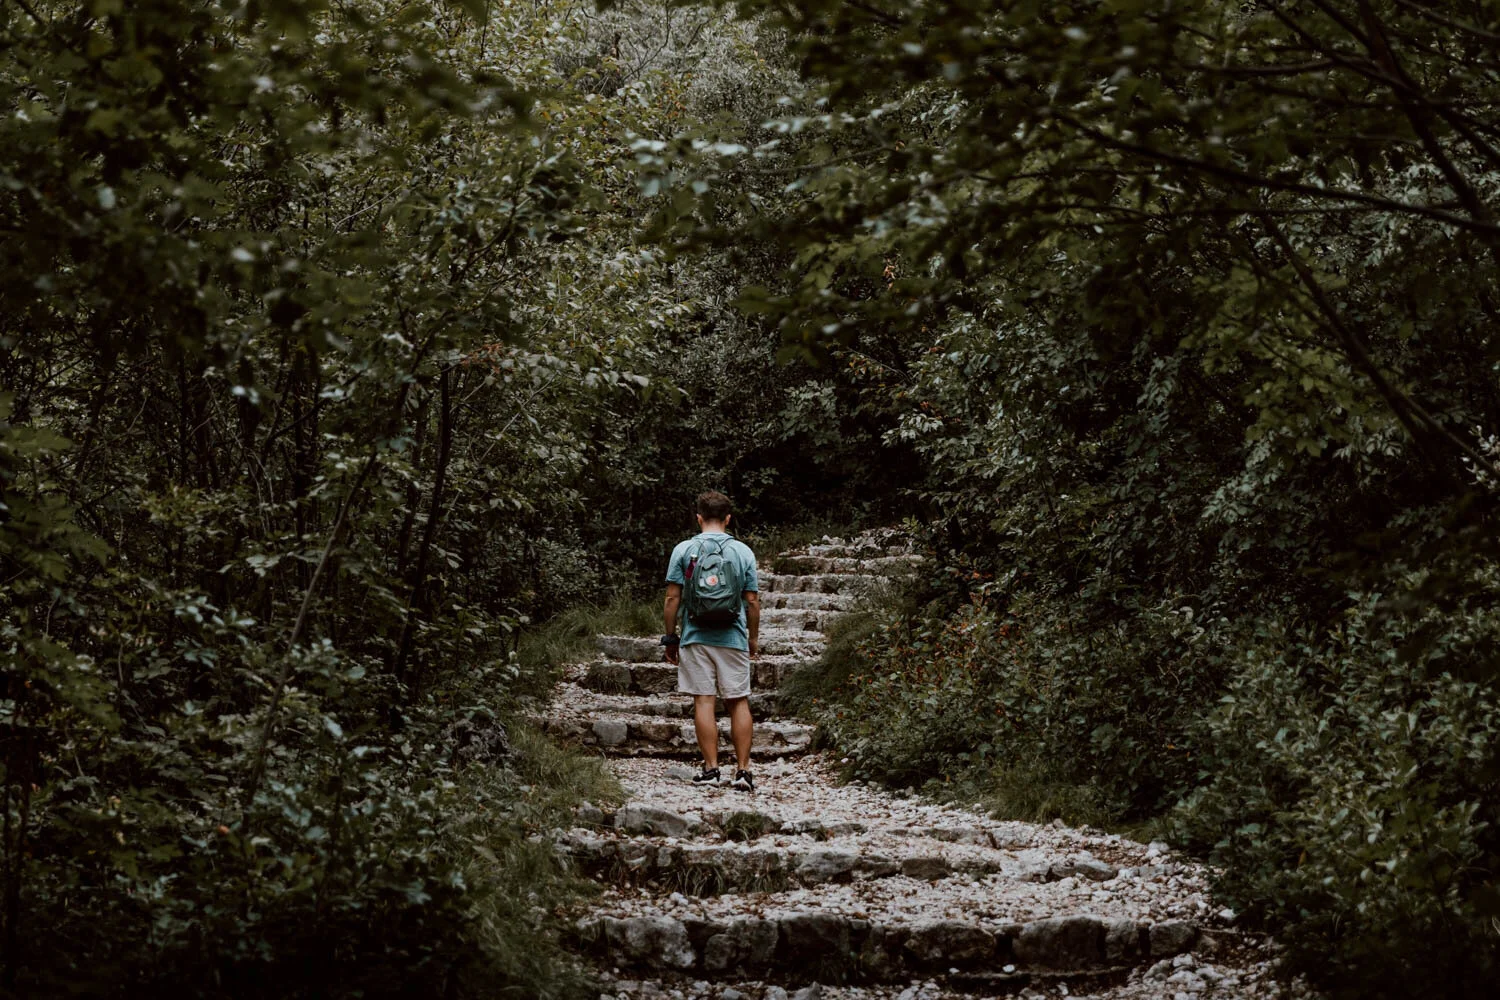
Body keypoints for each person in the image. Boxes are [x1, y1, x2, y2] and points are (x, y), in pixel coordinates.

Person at [661, 490, 760, 792]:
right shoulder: (743, 552)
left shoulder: (683, 550)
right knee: (738, 700)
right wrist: (752, 638)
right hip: (733, 635)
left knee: (704, 700)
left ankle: (711, 770)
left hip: (695, 635)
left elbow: (671, 598)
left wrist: (670, 637)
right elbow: (752, 601)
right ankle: (743, 772)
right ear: (728, 519)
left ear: (699, 517)